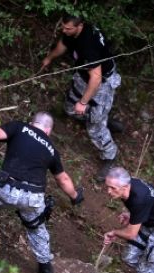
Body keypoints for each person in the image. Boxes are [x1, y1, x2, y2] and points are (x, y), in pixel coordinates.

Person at [0, 109, 83, 273]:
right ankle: (45, 267)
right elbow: (63, 179)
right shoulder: (51, 149)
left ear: (33, 124)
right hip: (34, 198)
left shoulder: (20, 127)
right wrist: (75, 196)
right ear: (48, 130)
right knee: (35, 225)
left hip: (8, 189)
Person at [41, 14, 122, 181]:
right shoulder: (72, 32)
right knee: (71, 106)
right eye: (63, 27)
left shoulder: (88, 45)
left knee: (94, 124)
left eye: (68, 28)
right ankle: (101, 117)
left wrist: (84, 102)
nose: (64, 30)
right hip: (83, 75)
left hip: (101, 82)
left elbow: (96, 78)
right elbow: (63, 45)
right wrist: (49, 58)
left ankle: (109, 155)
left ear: (80, 25)